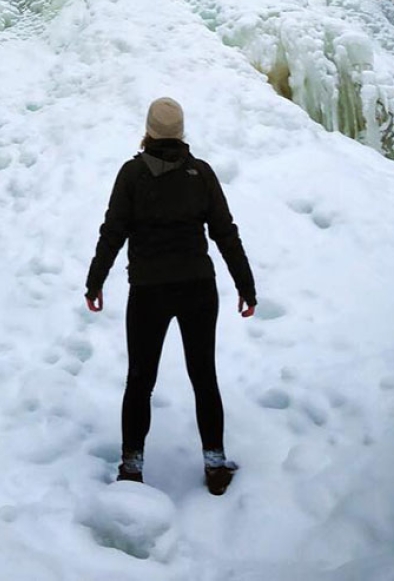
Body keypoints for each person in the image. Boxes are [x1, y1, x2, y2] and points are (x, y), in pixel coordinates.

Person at [85, 97, 257, 495]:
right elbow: (225, 233)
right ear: (181, 132)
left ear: (148, 131)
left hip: (148, 290)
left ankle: (132, 467)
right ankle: (215, 465)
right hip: (197, 287)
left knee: (140, 380)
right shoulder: (201, 174)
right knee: (204, 376)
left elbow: (112, 232)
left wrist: (95, 282)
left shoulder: (131, 174)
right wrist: (245, 287)